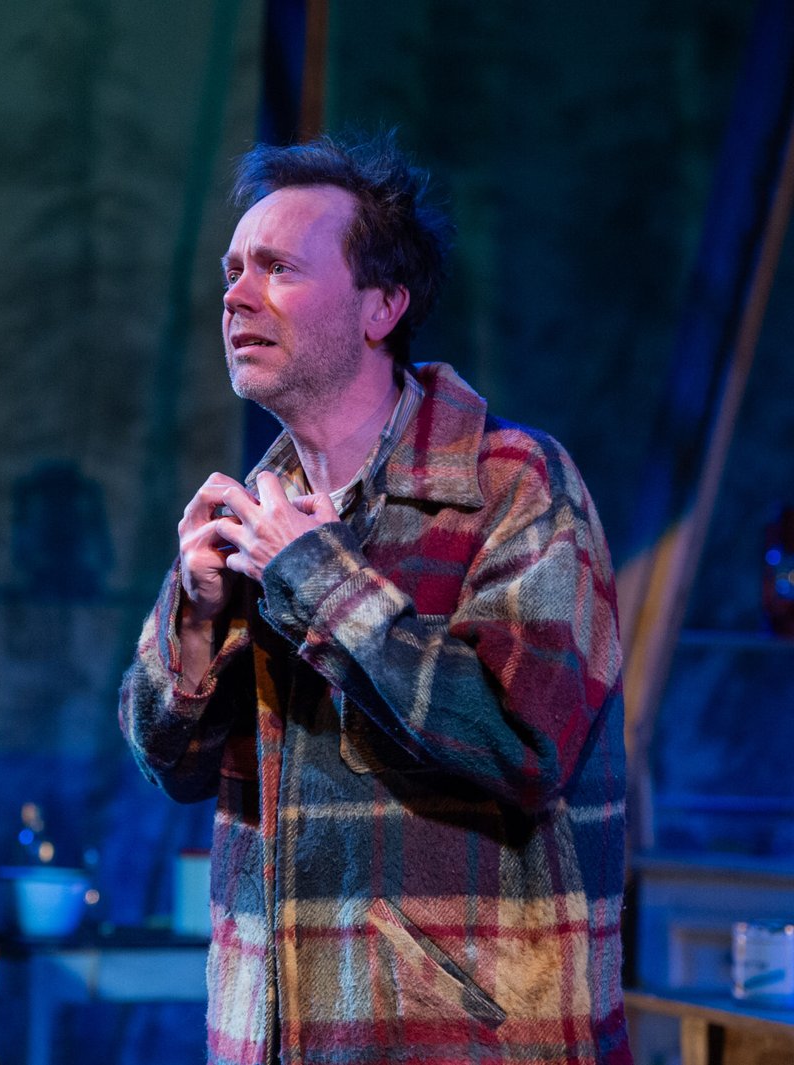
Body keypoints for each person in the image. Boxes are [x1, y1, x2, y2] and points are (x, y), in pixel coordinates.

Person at [119, 133, 629, 1065]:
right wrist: (196, 614)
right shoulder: (257, 512)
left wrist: (314, 575)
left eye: (278, 268)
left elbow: (523, 742)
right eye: (233, 270)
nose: (236, 295)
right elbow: (173, 767)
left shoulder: (511, 484)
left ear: (381, 306)